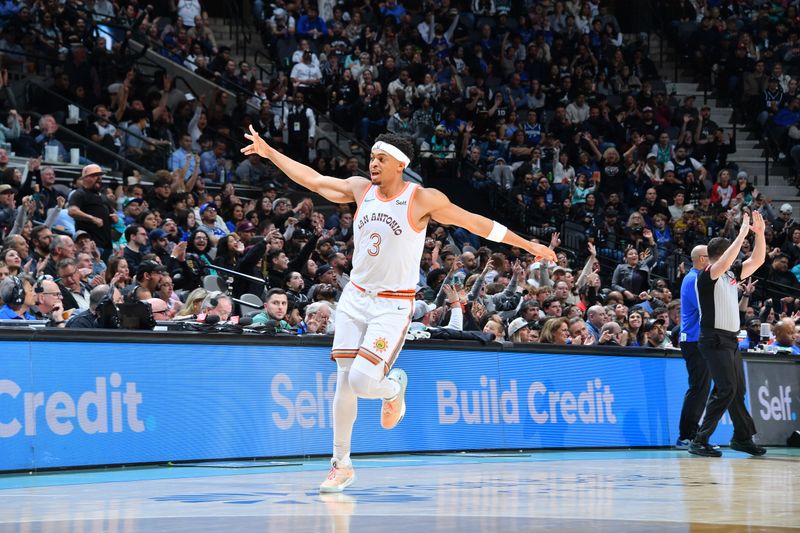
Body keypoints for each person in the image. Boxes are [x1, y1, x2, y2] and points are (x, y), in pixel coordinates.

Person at [241, 128, 557, 493]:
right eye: (372, 157)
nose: (373, 163)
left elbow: (476, 222)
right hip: (356, 297)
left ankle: (393, 390)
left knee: (362, 381)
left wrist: (526, 243)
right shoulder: (361, 190)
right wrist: (270, 153)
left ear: (400, 165)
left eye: (381, 159)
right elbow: (313, 180)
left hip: (392, 304)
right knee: (344, 379)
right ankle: (341, 464)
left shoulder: (421, 199)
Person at [690, 213, 767, 458]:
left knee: (736, 391)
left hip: (731, 341)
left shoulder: (731, 276)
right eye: (734, 252)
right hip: (714, 340)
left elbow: (757, 261)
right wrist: (742, 233)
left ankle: (742, 438)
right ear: (724, 254)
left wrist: (760, 234)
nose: (738, 256)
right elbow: (725, 262)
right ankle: (699, 440)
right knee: (726, 389)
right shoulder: (707, 275)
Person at [676, 245, 711, 449]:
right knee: (698, 388)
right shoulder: (693, 280)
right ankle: (686, 435)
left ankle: (694, 432)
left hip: (699, 340)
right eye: (710, 257)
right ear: (701, 259)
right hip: (693, 340)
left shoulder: (698, 278)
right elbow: (706, 307)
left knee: (702, 389)